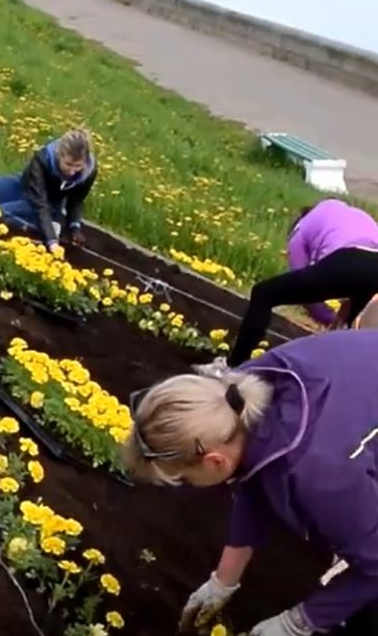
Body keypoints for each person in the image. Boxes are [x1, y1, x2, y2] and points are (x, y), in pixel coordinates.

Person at [123, 329, 378, 635]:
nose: (187, 484)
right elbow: (257, 470)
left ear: (215, 461)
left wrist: (297, 623)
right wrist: (223, 580)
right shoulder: (237, 396)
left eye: (184, 477)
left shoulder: (319, 475)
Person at [197, 199, 378, 372]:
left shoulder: (302, 226)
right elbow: (364, 271)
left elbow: (304, 286)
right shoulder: (352, 214)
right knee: (352, 335)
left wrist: (327, 318)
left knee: (264, 293)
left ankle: (232, 366)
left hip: (349, 260)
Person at [0, 129, 97, 250]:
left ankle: (47, 226)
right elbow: (39, 200)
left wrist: (74, 227)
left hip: (48, 205)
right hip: (22, 188)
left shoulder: (89, 171)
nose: (72, 171)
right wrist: (52, 240)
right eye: (68, 164)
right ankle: (41, 224)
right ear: (59, 155)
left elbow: (76, 200)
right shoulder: (42, 159)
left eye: (78, 166)